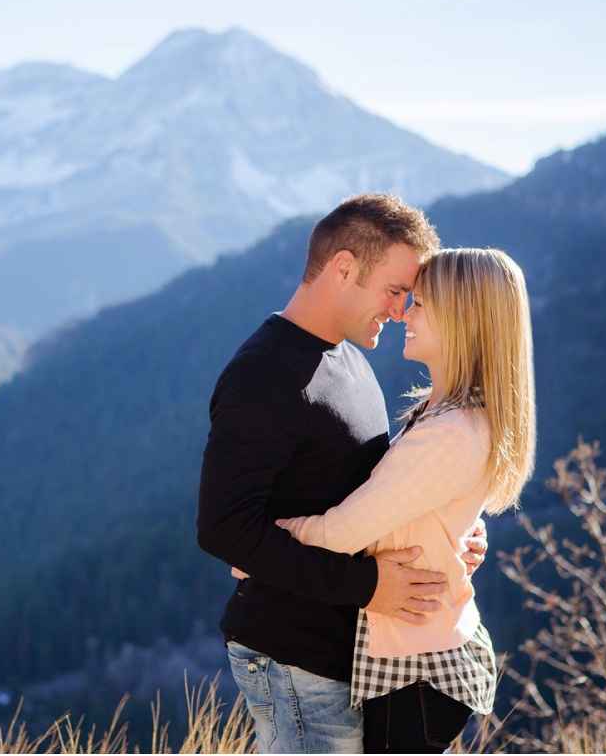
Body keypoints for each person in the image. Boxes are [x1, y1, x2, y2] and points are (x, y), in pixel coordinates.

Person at [196, 193, 488, 754]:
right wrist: (369, 586)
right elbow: (223, 530)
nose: (402, 310)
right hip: (292, 654)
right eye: (396, 291)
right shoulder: (264, 374)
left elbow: (380, 488)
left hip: (342, 651)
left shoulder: (348, 358)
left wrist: (452, 534)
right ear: (344, 267)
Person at [273, 247, 537, 752]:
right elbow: (426, 508)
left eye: (421, 304)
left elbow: (346, 531)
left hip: (417, 669)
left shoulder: (450, 431)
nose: (404, 314)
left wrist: (262, 546)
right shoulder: (451, 416)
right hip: (422, 658)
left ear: (462, 318)